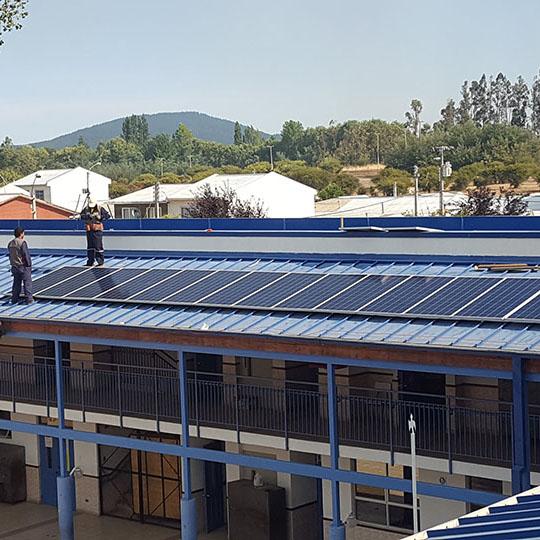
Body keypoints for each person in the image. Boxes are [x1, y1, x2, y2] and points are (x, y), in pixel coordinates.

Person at [81, 198, 110, 266]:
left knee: (98, 246)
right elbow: (81, 216)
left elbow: (107, 216)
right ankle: (90, 261)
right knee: (90, 246)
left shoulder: (100, 208)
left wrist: (100, 217)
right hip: (89, 229)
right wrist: (87, 216)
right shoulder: (86, 209)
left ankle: (100, 261)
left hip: (97, 230)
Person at [8, 227, 33, 304]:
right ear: (21, 233)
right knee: (27, 283)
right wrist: (29, 265)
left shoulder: (10, 243)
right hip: (23, 266)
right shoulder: (22, 242)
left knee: (16, 284)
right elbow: (25, 254)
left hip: (14, 266)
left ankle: (14, 299)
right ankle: (29, 300)